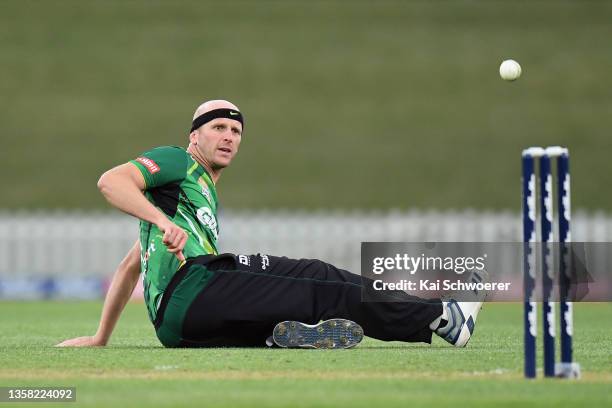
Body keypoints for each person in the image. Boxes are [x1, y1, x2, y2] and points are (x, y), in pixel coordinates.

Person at [56, 100, 486, 349]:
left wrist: (100, 337)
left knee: (296, 301)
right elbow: (111, 181)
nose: (229, 136)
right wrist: (157, 219)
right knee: (320, 278)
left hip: (178, 328)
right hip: (194, 288)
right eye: (218, 127)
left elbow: (131, 265)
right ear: (194, 136)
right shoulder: (179, 161)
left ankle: (277, 335)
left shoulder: (195, 196)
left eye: (236, 131)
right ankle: (443, 319)